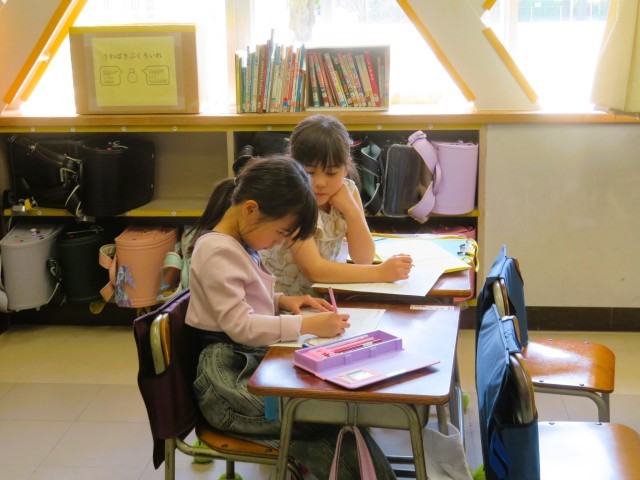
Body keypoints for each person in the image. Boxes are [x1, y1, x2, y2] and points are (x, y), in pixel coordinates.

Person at [185, 156, 397, 479]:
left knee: (333, 413)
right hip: (228, 384)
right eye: (282, 232)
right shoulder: (217, 250)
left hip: (243, 365)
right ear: (250, 209)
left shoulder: (235, 242)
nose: (281, 243)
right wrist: (306, 324)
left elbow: (236, 300)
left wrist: (282, 300)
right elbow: (241, 326)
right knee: (322, 417)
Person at [260, 114, 413, 296]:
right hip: (281, 300)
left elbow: (363, 258)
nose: (320, 183)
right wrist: (380, 272)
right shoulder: (293, 199)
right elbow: (314, 269)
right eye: (309, 172)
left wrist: (351, 211)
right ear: (291, 163)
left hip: (321, 296)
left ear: (346, 167)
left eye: (331, 173)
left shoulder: (348, 190)